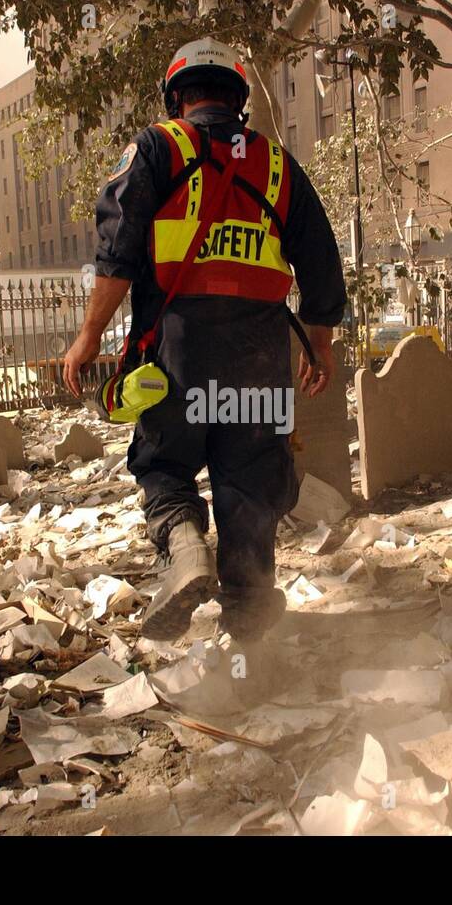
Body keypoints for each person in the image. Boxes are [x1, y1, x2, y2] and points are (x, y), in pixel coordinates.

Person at [63, 36, 347, 647]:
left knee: (164, 466)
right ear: (238, 100)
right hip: (261, 361)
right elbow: (321, 262)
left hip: (176, 354)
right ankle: (248, 633)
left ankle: (187, 550)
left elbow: (116, 250)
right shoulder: (275, 165)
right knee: (249, 484)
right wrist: (318, 346)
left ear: (177, 96)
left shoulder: (156, 149)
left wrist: (88, 338)